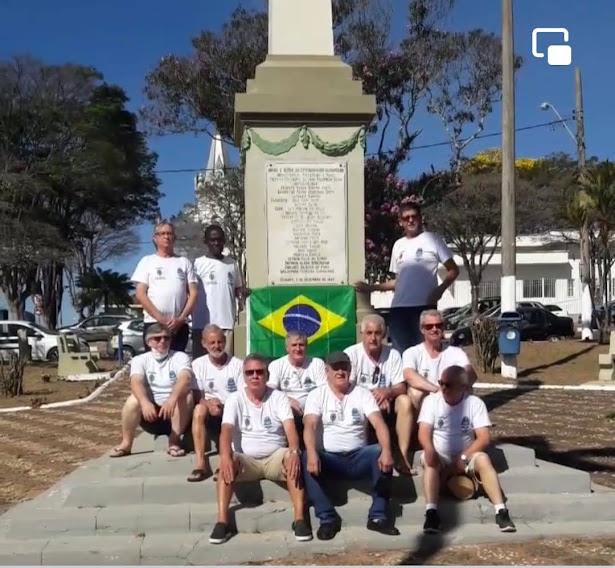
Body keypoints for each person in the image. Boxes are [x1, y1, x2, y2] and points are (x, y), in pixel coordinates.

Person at [209, 353, 312, 545]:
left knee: (293, 458)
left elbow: (290, 429)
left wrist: (295, 451)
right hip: (246, 460)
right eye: (250, 373)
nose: (255, 376)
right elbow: (226, 431)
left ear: (267, 375)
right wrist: (224, 456)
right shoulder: (234, 399)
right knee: (225, 462)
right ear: (244, 376)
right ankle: (222, 522)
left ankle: (299, 520)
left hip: (275, 457)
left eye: (259, 372)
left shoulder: (279, 397)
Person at [302, 352, 399, 541]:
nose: (340, 371)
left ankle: (378, 517)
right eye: (335, 368)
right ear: (327, 371)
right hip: (330, 459)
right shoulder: (316, 394)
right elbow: (310, 426)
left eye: (344, 367)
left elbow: (378, 423)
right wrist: (313, 453)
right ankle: (327, 519)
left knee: (380, 451)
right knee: (306, 456)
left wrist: (387, 451)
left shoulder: (362, 393)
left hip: (358, 458)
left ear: (350, 369)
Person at [418, 365, 516, 534]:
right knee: (429, 459)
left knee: (484, 459)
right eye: (441, 383)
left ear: (463, 387)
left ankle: (501, 511)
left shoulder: (474, 404)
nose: (443, 388)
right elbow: (423, 432)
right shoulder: (431, 401)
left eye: (448, 385)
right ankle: (431, 513)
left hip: (467, 455)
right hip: (440, 454)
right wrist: (429, 448)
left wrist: (463, 458)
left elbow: (484, 437)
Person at [355, 202, 459, 353]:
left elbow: (453, 270)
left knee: (426, 354)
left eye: (413, 216)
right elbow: (398, 281)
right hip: (399, 310)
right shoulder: (398, 245)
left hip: (424, 308)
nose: (410, 220)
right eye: (406, 218)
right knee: (400, 355)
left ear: (420, 218)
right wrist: (371, 288)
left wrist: (440, 290)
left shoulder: (433, 239)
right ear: (401, 222)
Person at [402, 309, 477, 467]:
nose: (434, 329)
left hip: (451, 401)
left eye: (438, 325)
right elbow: (409, 375)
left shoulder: (455, 352)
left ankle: (467, 439)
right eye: (429, 326)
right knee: (414, 392)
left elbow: (470, 374)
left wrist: (459, 383)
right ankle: (421, 438)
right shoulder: (413, 352)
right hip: (429, 403)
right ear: (422, 329)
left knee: (468, 391)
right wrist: (437, 389)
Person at [110, 323, 194, 458]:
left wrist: (172, 399)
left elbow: (184, 379)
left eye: (166, 338)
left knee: (186, 395)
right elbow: (136, 382)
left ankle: (174, 440)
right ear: (148, 342)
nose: (162, 341)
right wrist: (144, 402)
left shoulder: (180, 357)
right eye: (157, 338)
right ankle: (126, 443)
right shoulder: (140, 359)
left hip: (177, 413)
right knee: (132, 401)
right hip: (151, 414)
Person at [343, 314, 414, 475]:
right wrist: (372, 397)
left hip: (387, 400)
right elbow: (346, 386)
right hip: (360, 400)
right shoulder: (351, 354)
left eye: (377, 333)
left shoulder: (393, 354)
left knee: (405, 401)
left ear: (383, 334)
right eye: (369, 333)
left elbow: (401, 386)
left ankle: (402, 456)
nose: (373, 338)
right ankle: (365, 458)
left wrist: (387, 392)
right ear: (362, 334)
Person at [187, 324, 244, 482]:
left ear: (225, 342)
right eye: (212, 343)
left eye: (219, 342)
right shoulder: (198, 364)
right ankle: (200, 463)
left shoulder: (238, 365)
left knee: (234, 413)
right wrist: (208, 404)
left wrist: (223, 406)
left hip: (231, 410)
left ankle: (225, 464)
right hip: (209, 410)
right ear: (204, 344)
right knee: (198, 409)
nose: (216, 346)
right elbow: (197, 395)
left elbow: (241, 396)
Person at [132, 221, 198, 352]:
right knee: (155, 366)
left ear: (174, 237)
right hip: (154, 324)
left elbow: (194, 293)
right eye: (162, 233)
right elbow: (140, 294)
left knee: (177, 364)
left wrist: (181, 319)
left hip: (179, 326)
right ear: (155, 238)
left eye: (169, 233)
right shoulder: (147, 261)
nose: (166, 237)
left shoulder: (184, 262)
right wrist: (160, 318)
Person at [192, 224, 244, 357]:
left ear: (224, 241)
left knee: (225, 367)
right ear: (206, 242)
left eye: (220, 239)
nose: (216, 243)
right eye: (212, 240)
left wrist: (245, 293)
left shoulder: (232, 264)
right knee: (201, 369)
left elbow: (238, 290)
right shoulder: (197, 264)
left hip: (226, 325)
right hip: (203, 325)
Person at [267, 331, 327, 430]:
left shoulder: (317, 363)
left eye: (301, 345)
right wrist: (287, 400)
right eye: (294, 345)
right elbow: (270, 389)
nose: (298, 349)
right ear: (287, 348)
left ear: (306, 347)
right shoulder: (276, 365)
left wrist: (311, 405)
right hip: (287, 410)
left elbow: (324, 389)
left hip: (313, 409)